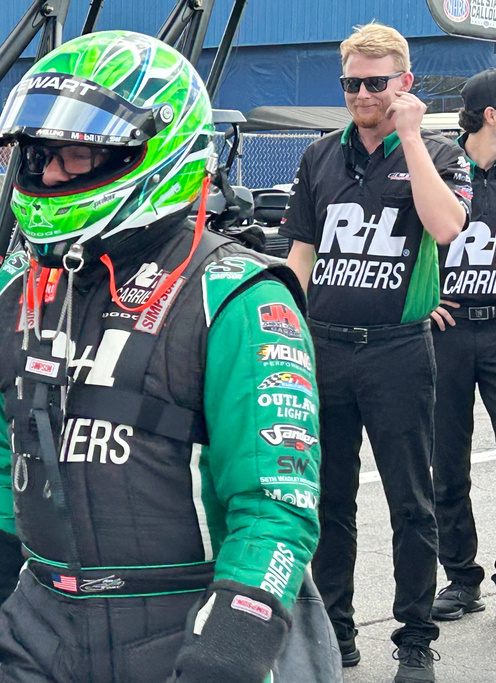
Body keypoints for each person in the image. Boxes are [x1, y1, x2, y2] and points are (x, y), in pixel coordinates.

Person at [0, 31, 320, 683]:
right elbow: (8, 449)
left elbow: (275, 501)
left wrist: (236, 634)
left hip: (179, 627)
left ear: (157, 150)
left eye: (74, 154)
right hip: (40, 626)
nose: (49, 174)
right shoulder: (15, 294)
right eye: (38, 154)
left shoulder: (235, 297)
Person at [281, 22, 470, 683]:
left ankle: (415, 641)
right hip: (326, 350)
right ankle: (336, 632)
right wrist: (286, 333)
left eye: (375, 82)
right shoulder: (317, 157)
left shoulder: (441, 151)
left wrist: (411, 136)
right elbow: (299, 256)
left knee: (411, 503)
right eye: (351, 83)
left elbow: (448, 226)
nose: (361, 93)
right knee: (327, 501)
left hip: (398, 353)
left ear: (404, 82)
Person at [429, 68, 496, 623]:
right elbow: (401, 235)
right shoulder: (441, 166)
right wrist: (422, 296)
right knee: (446, 464)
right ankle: (461, 578)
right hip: (446, 332)